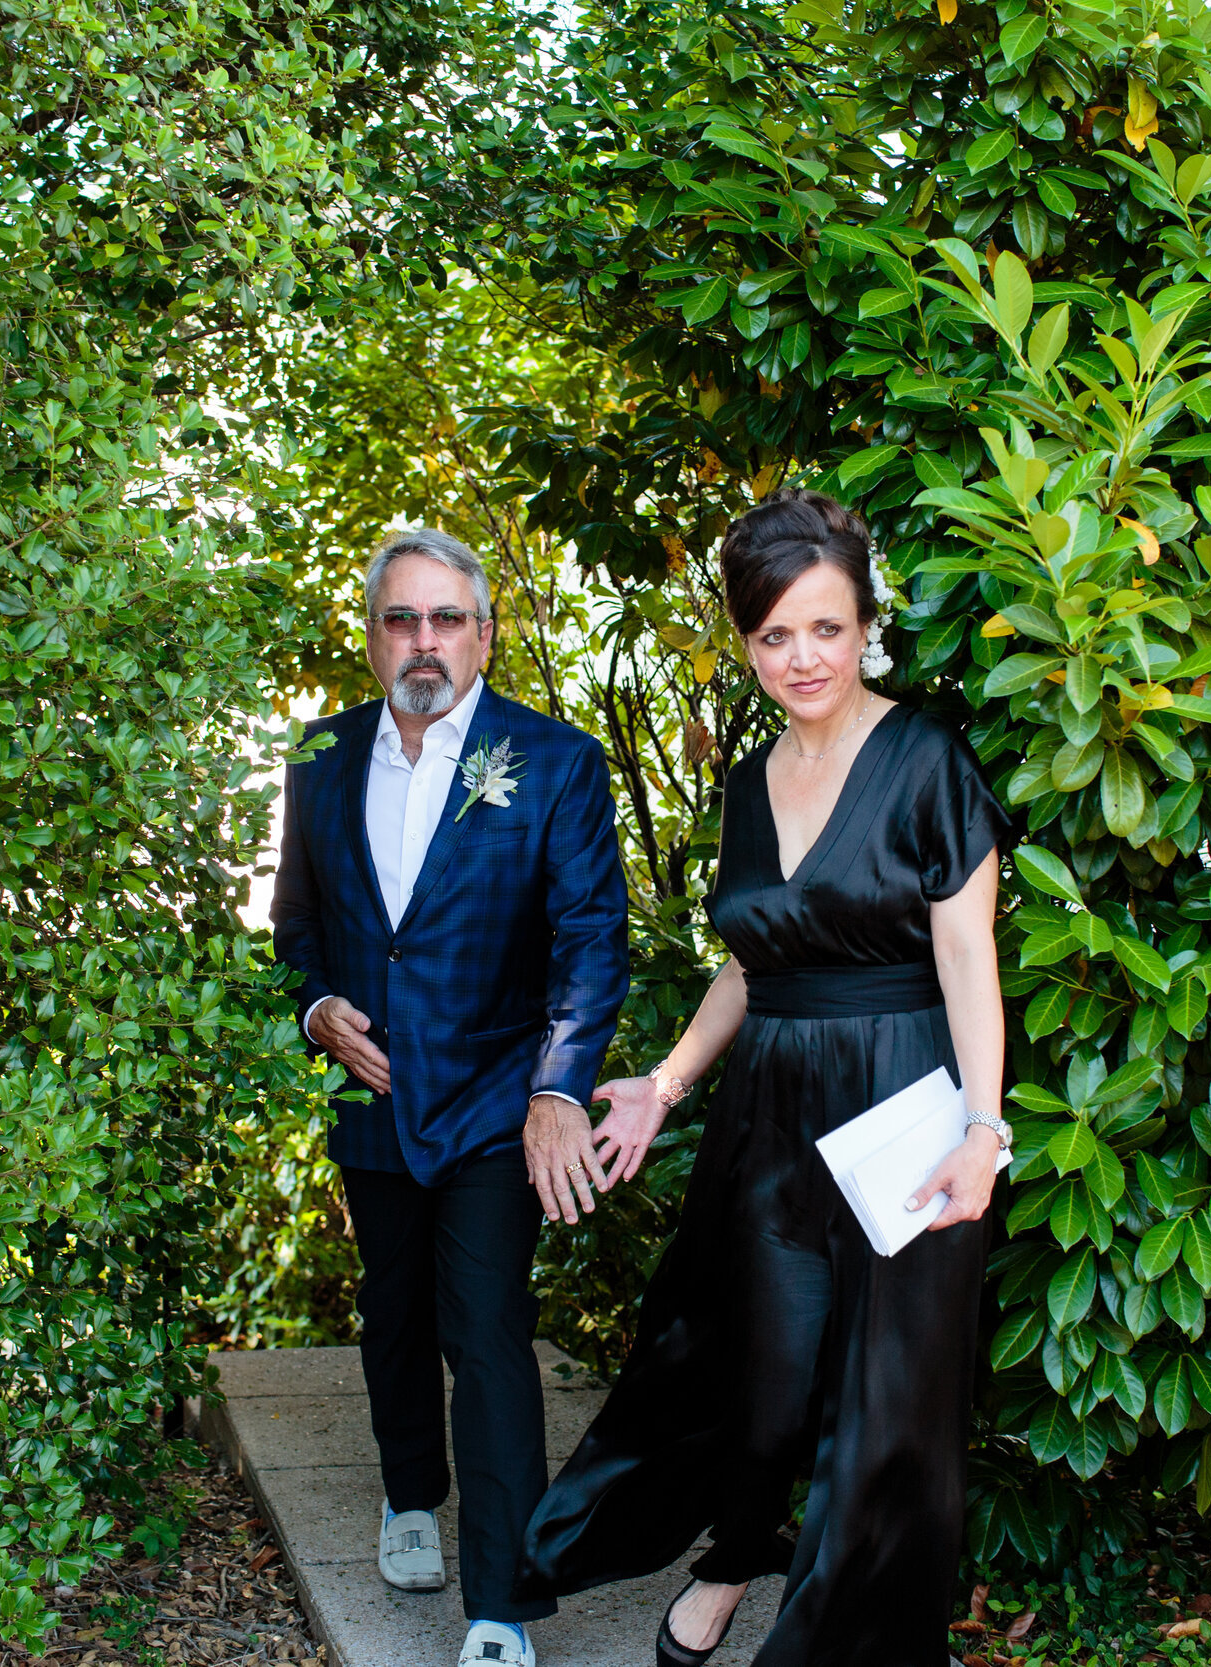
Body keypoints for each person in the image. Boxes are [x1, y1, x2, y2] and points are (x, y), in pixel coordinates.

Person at [515, 489, 1016, 1667]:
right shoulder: (747, 783)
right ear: (745, 642)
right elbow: (751, 960)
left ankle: (867, 1638)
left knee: (889, 1407)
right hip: (770, 1118)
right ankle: (737, 1554)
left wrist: (984, 1128)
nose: (801, 657)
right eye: (773, 635)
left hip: (906, 1100)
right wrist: (668, 1080)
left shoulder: (927, 757)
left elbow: (966, 959)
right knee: (764, 1375)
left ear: (864, 625)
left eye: (825, 628)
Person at [272, 527, 631, 1667]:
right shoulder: (318, 759)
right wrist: (315, 1008)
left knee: (486, 1329)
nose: (422, 641)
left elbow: (589, 938)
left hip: (494, 1097)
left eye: (445, 618)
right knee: (392, 1312)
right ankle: (408, 1495)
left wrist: (558, 1087)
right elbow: (295, 932)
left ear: (483, 631)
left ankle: (501, 1605)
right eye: (399, 618)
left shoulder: (558, 760)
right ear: (372, 635)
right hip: (371, 1094)